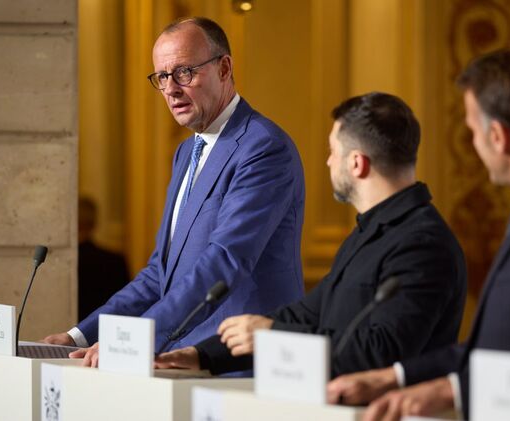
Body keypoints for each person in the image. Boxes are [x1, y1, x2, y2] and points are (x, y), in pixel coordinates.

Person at [326, 50, 510, 421]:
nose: (473, 144)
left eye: (472, 131)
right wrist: (395, 377)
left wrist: (450, 392)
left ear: (498, 136)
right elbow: (506, 347)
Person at [43, 17, 306, 365]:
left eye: (184, 72)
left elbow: (224, 261)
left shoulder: (263, 147)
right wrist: (80, 335)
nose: (170, 89)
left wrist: (134, 338)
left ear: (224, 68)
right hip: (184, 357)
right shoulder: (186, 152)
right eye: (162, 77)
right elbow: (160, 273)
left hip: (240, 360)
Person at [154, 92, 467, 377]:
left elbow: (381, 349)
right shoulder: (370, 232)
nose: (328, 161)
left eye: (333, 151)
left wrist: (272, 337)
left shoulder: (422, 243)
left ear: (357, 163)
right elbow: (308, 314)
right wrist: (204, 356)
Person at [77, 197, 131, 321]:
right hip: (107, 327)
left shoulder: (65, 264)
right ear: (94, 223)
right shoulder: (115, 261)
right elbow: (126, 305)